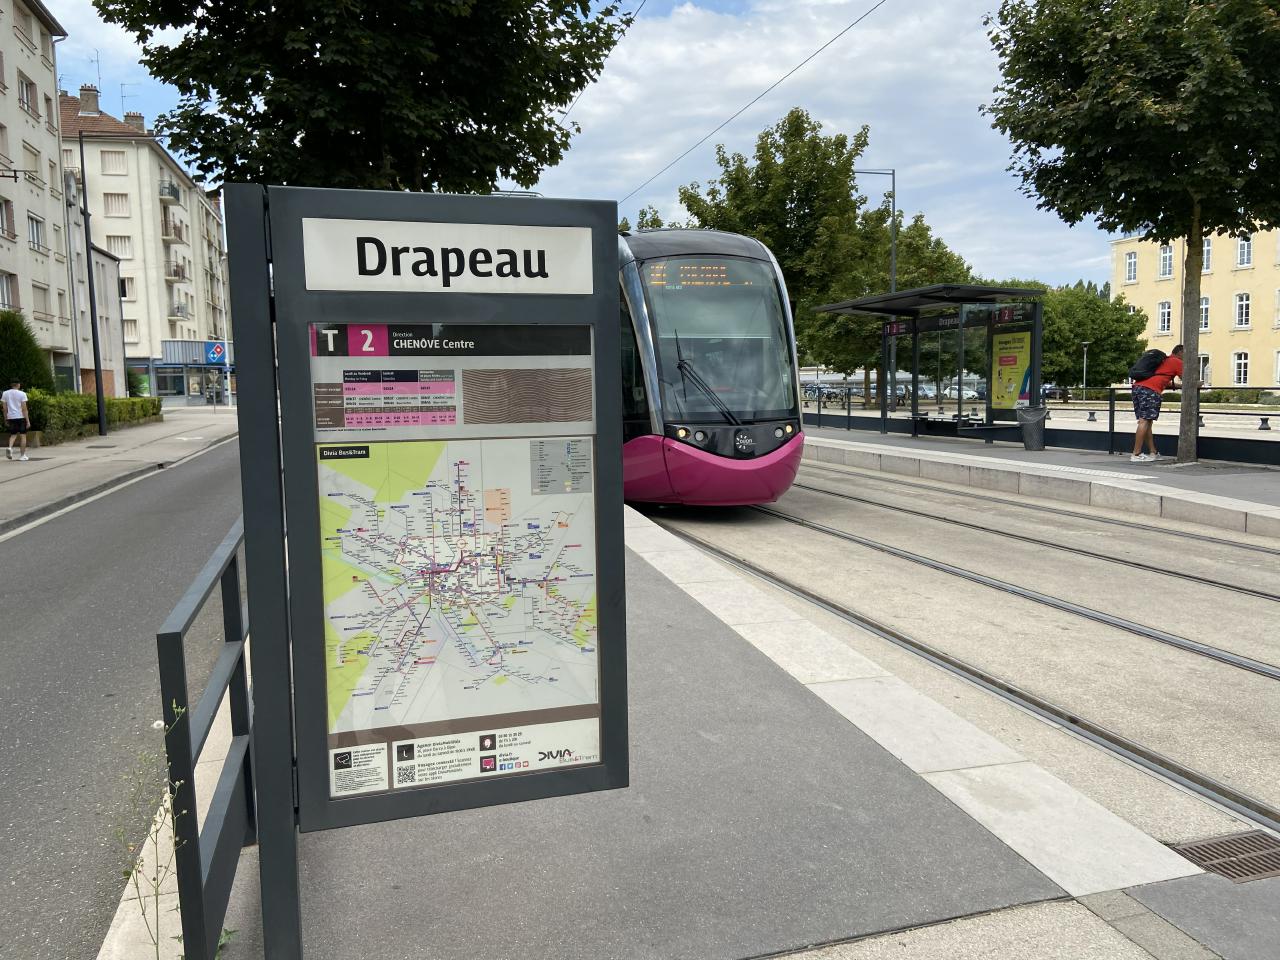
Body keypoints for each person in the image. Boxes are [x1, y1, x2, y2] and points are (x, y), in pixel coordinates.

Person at [1130, 344, 1183, 463]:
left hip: (1137, 387)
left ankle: (1153, 452)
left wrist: (1178, 386)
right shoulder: (1177, 362)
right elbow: (1187, 379)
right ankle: (1136, 454)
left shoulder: (1163, 360)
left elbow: (1161, 379)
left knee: (1147, 421)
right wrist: (1198, 384)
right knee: (1144, 421)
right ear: (1180, 352)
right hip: (1150, 390)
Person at [3, 379, 30, 461]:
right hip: (20, 417)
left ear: (11, 385)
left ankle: (10, 448)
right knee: (23, 436)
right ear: (18, 385)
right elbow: (24, 408)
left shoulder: (5, 393)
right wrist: (27, 420)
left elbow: (4, 409)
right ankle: (22, 455)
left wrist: (5, 419)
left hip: (11, 417)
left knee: (13, 435)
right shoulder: (22, 394)